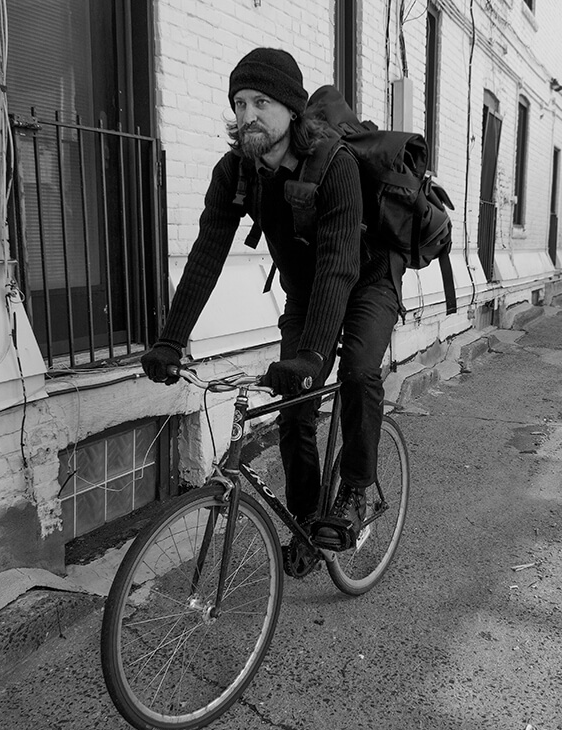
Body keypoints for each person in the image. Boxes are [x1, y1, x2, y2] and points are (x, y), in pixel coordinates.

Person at [140, 47, 400, 570]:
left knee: (357, 371)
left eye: (261, 101)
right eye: (238, 103)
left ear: (292, 109)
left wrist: (312, 356)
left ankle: (357, 489)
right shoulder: (237, 172)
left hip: (366, 277)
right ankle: (307, 525)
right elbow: (207, 254)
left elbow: (338, 267)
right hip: (308, 291)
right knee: (293, 409)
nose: (247, 115)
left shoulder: (336, 165)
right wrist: (171, 338)